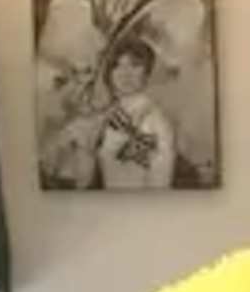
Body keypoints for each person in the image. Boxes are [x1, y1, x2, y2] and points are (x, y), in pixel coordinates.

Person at [48, 32, 180, 190]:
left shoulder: (155, 122)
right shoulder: (103, 118)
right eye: (117, 65)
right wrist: (84, 149)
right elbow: (83, 182)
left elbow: (160, 186)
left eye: (135, 65)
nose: (125, 73)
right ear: (109, 74)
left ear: (146, 72)